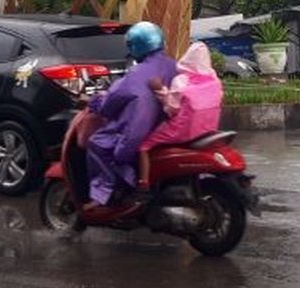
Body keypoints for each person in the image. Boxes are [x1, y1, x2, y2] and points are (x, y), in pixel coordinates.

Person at [84, 21, 177, 208]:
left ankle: (103, 195)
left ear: (138, 45)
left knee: (96, 143)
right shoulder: (173, 66)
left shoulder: (135, 74)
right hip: (165, 131)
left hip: (136, 136)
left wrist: (93, 100)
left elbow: (109, 105)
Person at [137, 41, 225, 188]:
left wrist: (160, 89)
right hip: (208, 129)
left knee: (143, 147)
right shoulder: (214, 80)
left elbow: (172, 108)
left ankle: (143, 184)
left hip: (183, 131)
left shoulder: (182, 81)